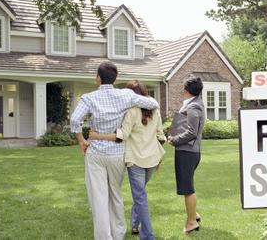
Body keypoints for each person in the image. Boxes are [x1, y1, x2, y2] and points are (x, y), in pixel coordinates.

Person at [70, 62, 160, 240]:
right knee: (115, 193)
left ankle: (104, 236)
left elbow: (75, 120)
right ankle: (118, 233)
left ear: (98, 78)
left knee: (99, 197)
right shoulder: (125, 95)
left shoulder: (89, 98)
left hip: (96, 153)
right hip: (117, 153)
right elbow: (153, 103)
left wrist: (81, 140)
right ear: (115, 78)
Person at [89, 80, 166, 240]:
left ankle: (148, 236)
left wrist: (97, 136)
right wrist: (159, 159)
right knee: (141, 195)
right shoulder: (155, 110)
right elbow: (160, 135)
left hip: (136, 160)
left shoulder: (131, 111)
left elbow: (122, 135)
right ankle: (135, 223)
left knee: (140, 197)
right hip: (152, 159)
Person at [167, 76, 205, 234]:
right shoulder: (196, 103)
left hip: (187, 153)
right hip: (190, 152)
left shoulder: (193, 107)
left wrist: (174, 140)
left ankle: (191, 222)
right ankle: (193, 215)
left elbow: (191, 132)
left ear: (187, 90)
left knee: (187, 188)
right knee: (187, 186)